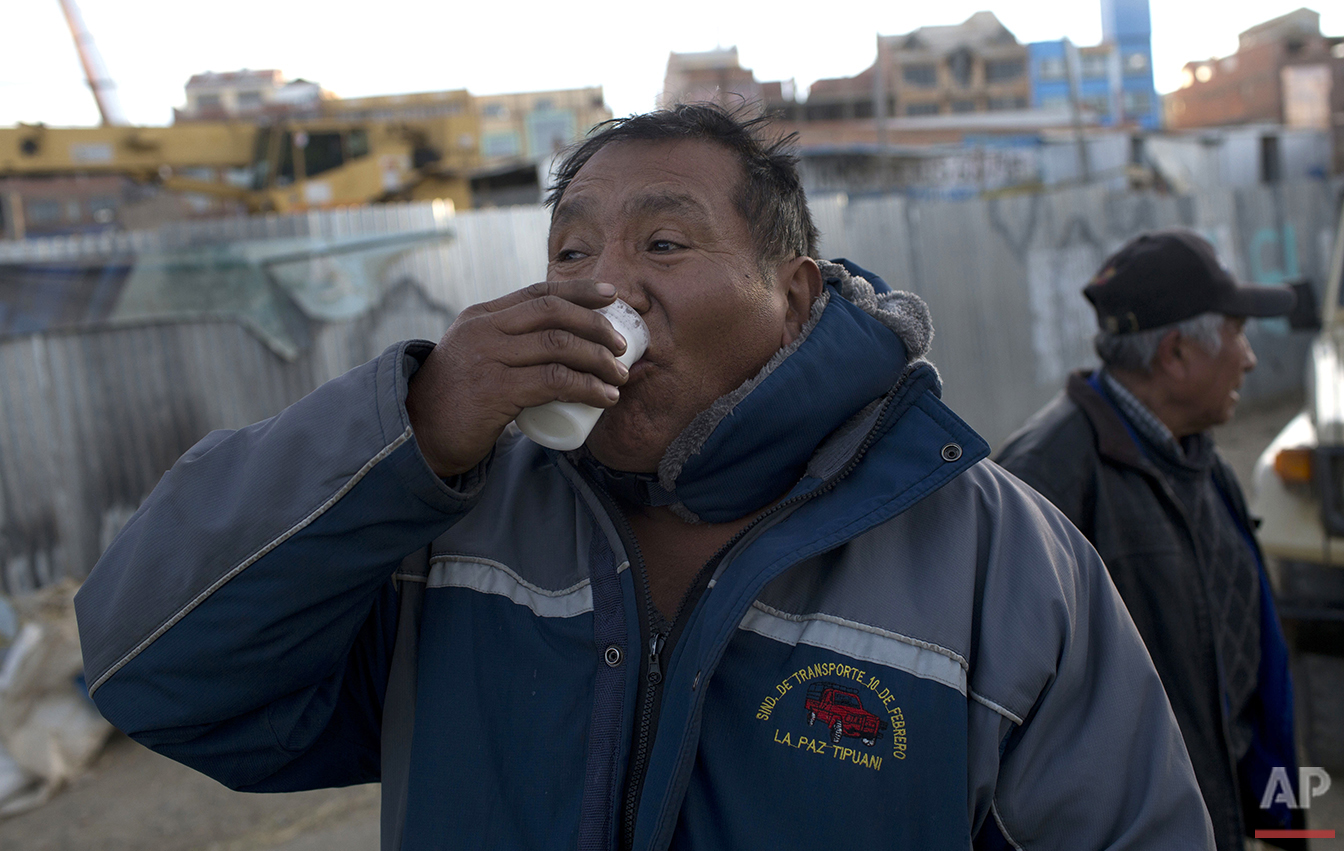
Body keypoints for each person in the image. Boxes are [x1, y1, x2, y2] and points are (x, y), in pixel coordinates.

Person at [75, 105, 1213, 850]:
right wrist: (408, 426)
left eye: (663, 244)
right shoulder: (451, 522)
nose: (599, 285)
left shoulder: (992, 554)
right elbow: (152, 669)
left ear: (796, 295)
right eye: (571, 251)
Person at [995, 229, 1303, 851]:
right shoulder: (1044, 479)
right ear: (1176, 354)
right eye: (1238, 334)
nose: (1248, 358)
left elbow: (1253, 672)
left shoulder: (1199, 462)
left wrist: (1283, 821)